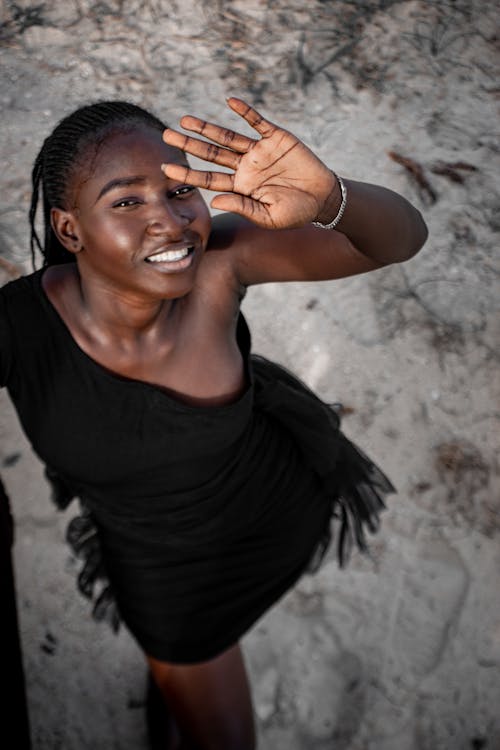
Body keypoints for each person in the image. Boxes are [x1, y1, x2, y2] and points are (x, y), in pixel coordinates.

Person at [0, 96, 427, 749]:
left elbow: (401, 240)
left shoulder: (222, 263)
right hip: (158, 566)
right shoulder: (18, 329)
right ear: (69, 229)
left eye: (179, 191)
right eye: (125, 202)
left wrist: (330, 198)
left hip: (269, 508)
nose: (169, 223)